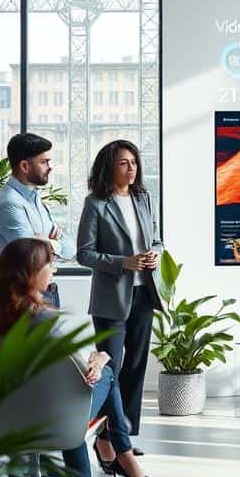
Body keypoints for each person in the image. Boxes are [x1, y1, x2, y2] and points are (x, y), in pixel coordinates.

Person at [0, 238, 155, 477]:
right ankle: (103, 476)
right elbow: (81, 375)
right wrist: (101, 358)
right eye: (50, 265)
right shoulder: (42, 319)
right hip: (50, 420)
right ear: (30, 273)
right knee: (96, 383)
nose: (53, 271)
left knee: (66, 399)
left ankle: (116, 461)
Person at [77, 140, 164, 459]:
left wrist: (155, 254)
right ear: (109, 168)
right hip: (110, 299)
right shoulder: (95, 204)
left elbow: (157, 240)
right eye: (124, 163)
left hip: (144, 293)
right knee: (109, 367)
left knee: (136, 366)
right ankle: (106, 437)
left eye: (134, 162)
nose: (131, 168)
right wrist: (123, 262)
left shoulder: (143, 198)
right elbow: (84, 254)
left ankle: (121, 436)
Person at [0, 133, 75, 308]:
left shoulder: (36, 199)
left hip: (45, 291)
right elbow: (30, 256)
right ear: (24, 166)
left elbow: (70, 248)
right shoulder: (9, 203)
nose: (50, 167)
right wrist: (53, 243)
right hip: (20, 297)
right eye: (44, 162)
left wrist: (49, 243)